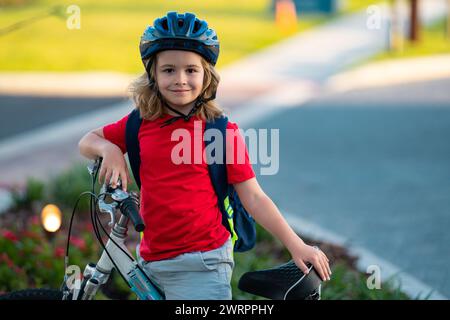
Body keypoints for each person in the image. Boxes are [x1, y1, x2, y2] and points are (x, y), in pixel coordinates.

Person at [78, 11, 331, 300]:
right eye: (168, 70)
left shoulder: (220, 132)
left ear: (206, 75)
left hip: (202, 264)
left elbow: (254, 198)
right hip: (151, 259)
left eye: (191, 70)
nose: (180, 79)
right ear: (153, 74)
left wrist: (297, 245)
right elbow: (88, 140)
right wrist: (109, 149)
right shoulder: (140, 123)